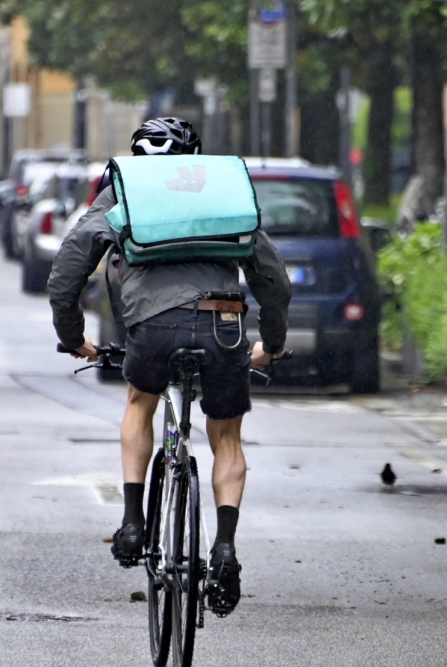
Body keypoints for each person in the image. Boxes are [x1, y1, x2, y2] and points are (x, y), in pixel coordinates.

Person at [47, 117, 292, 616]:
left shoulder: (123, 192)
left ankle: (134, 521)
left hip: (152, 328)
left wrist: (73, 338)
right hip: (223, 322)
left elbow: (69, 268)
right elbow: (273, 279)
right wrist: (274, 343)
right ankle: (224, 547)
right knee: (226, 437)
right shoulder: (220, 191)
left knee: (140, 403)